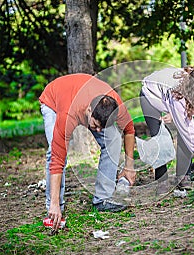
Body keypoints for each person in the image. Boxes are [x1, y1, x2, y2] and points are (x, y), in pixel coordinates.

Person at [39, 73, 136, 230]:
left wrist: (129, 167)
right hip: (53, 103)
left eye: (100, 128)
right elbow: (57, 159)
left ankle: (102, 199)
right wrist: (55, 204)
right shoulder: (68, 114)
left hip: (80, 98)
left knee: (114, 138)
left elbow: (129, 129)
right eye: (95, 125)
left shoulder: (113, 101)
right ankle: (55, 209)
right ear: (89, 110)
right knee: (55, 153)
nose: (97, 130)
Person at [139, 66, 194, 190]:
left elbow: (186, 125)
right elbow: (187, 129)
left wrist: (174, 113)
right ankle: (161, 181)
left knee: (185, 135)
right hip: (149, 94)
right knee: (159, 137)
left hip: (167, 96)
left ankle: (183, 177)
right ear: (193, 88)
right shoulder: (179, 96)